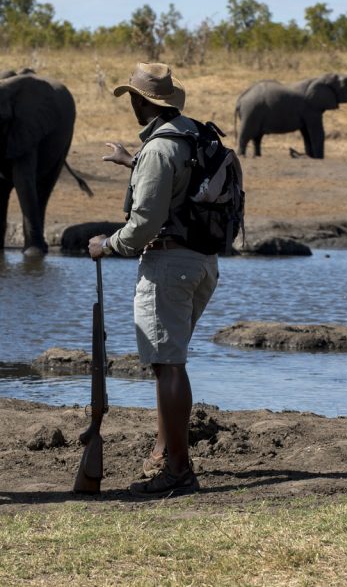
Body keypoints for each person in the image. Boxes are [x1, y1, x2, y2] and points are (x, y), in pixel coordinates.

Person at [88, 63, 218, 497]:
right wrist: (133, 162)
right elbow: (179, 190)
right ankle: (165, 452)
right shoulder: (193, 134)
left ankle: (178, 471)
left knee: (168, 365)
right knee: (170, 360)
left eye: (133, 98)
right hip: (201, 265)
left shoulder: (160, 150)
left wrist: (106, 245)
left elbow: (144, 225)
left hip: (169, 265)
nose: (131, 104)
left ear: (143, 102)